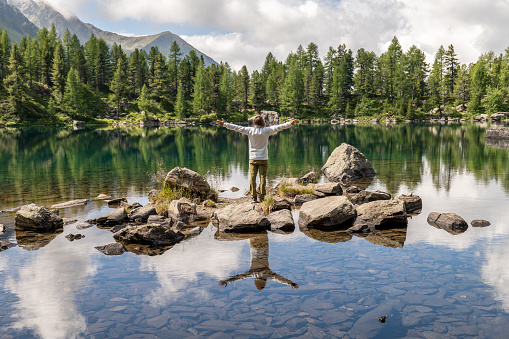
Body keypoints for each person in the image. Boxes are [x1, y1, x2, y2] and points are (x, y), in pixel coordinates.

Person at [216, 115, 298, 202]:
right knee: (263, 177)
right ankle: (262, 197)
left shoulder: (250, 130)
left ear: (254, 123)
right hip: (263, 158)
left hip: (253, 159)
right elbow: (279, 127)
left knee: (252, 178)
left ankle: (254, 197)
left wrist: (224, 124)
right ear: (263, 122)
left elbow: (237, 128)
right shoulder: (266, 130)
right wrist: (290, 123)